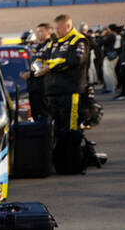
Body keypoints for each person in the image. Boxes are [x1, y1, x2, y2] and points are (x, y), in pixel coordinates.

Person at [34, 14, 105, 170]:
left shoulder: (79, 41)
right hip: (52, 93)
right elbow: (39, 58)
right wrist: (39, 67)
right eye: (56, 29)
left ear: (67, 26)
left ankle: (72, 165)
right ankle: (58, 163)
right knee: (56, 130)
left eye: (59, 28)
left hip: (70, 92)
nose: (56, 31)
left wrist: (50, 67)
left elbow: (75, 61)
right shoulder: (53, 43)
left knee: (70, 129)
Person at [21, 22, 54, 121]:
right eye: (37, 31)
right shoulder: (37, 47)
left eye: (41, 31)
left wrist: (30, 73)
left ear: (49, 32)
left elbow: (47, 65)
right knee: (36, 115)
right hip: (33, 87)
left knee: (46, 116)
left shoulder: (51, 46)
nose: (38, 33)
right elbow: (33, 65)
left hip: (44, 87)